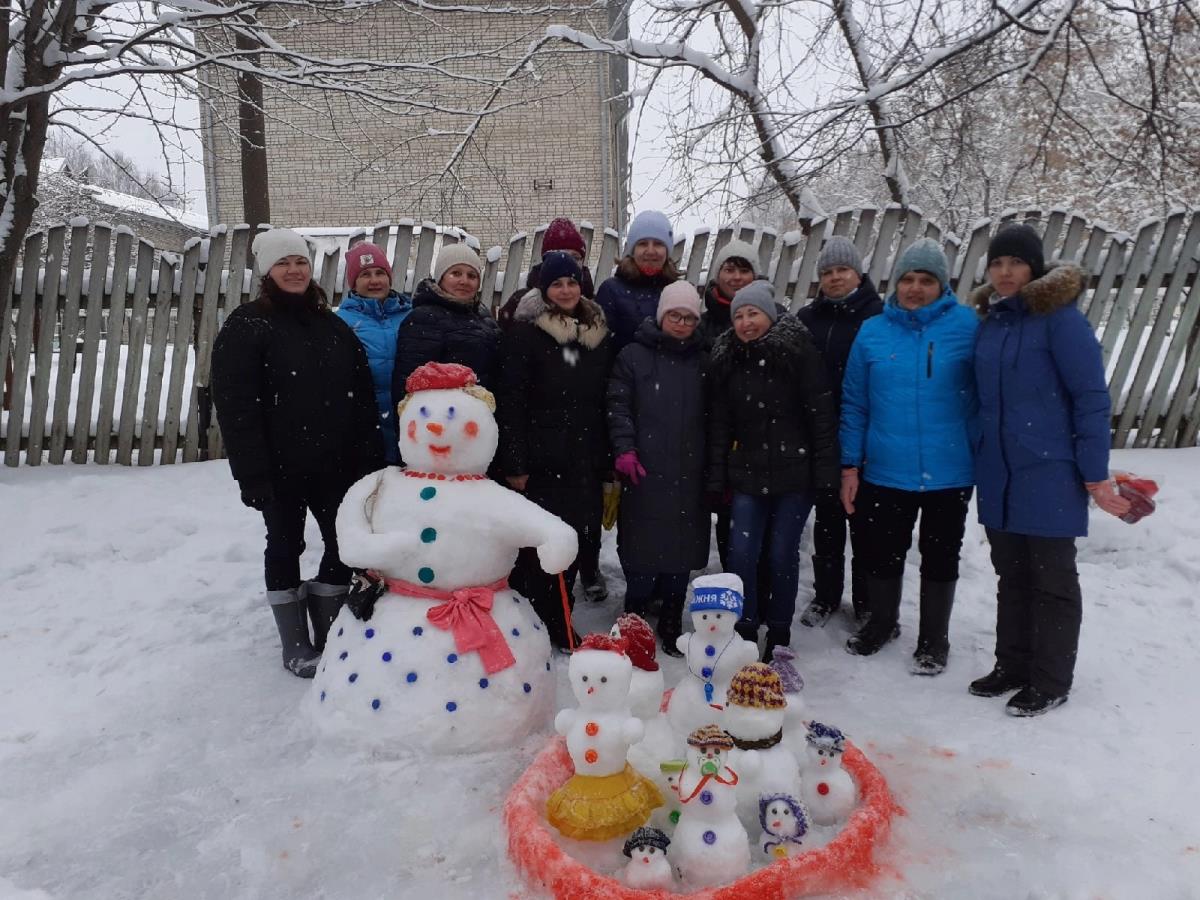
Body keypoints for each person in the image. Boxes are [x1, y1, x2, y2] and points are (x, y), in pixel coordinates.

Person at [967, 223, 1130, 717]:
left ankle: (1052, 679)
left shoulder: (1060, 321)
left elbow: (1091, 400)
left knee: (1052, 580)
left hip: (1049, 472)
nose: (1005, 272)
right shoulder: (991, 322)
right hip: (999, 472)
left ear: (1033, 267)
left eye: (1014, 262)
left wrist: (1094, 472)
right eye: (997, 263)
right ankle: (1012, 665)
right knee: (1010, 575)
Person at [212, 228, 385, 678]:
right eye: (284, 263)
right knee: (285, 544)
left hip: (335, 464)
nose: (294, 270)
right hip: (278, 466)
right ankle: (294, 642)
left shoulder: (332, 325)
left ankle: (327, 630)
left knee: (342, 543)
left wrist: (366, 460)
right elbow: (236, 407)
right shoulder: (246, 325)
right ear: (267, 271)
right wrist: (252, 474)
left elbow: (360, 396)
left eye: (301, 263)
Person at [838, 238, 978, 675]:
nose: (915, 288)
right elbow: (855, 403)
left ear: (943, 285)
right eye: (908, 279)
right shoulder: (873, 331)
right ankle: (882, 623)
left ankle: (934, 639)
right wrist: (849, 465)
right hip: (885, 469)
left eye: (926, 280)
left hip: (949, 470)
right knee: (883, 552)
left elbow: (988, 396)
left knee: (941, 555)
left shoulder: (968, 327)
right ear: (895, 283)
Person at [707, 281, 839, 663]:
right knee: (741, 553)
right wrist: (718, 477)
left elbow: (821, 415)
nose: (747, 323)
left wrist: (825, 472)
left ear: (770, 314)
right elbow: (720, 425)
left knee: (782, 555)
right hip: (747, 475)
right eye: (740, 316)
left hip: (794, 476)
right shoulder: (727, 359)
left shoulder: (798, 352)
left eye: (754, 313)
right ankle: (746, 628)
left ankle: (779, 633)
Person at [497, 251, 614, 651]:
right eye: (557, 284)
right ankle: (544, 623)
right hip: (543, 460)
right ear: (544, 290)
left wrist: (607, 458)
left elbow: (603, 401)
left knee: (578, 540)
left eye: (572, 282)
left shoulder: (596, 333)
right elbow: (511, 402)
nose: (565, 290)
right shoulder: (524, 335)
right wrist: (515, 462)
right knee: (543, 548)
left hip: (584, 458)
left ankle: (560, 617)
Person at [606, 281, 710, 657]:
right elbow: (618, 404)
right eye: (674, 315)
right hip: (644, 470)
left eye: (688, 317)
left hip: (689, 470)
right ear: (661, 315)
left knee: (681, 553)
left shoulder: (704, 359)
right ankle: (634, 615)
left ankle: (670, 621)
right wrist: (625, 449)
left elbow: (717, 417)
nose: (681, 323)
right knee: (641, 550)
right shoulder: (633, 356)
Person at [795, 236, 884, 628]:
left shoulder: (877, 318)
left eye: (842, 271)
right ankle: (826, 596)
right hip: (821, 437)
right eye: (827, 272)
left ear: (858, 273)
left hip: (866, 436)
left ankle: (865, 601)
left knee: (865, 527)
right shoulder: (808, 319)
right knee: (828, 523)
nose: (834, 278)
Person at [391, 243, 500, 412]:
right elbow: (409, 384)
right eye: (456, 273)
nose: (464, 281)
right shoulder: (424, 318)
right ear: (441, 277)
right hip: (444, 423)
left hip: (481, 419)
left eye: (472, 275)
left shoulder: (482, 315)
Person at [336, 242, 412, 464]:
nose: (374, 280)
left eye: (380, 272)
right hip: (366, 425)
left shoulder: (411, 316)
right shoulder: (341, 322)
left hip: (410, 421)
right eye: (365, 274)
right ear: (353, 283)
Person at [596, 210, 679, 351]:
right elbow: (601, 351)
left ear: (667, 250)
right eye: (643, 244)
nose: (651, 251)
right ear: (632, 250)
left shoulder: (678, 291)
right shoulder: (611, 291)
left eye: (658, 243)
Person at [497, 217, 596, 330]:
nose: (566, 263)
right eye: (559, 256)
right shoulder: (520, 305)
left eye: (574, 257)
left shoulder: (595, 308)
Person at [698, 239, 758, 349]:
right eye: (729, 270)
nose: (737, 277)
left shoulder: (775, 318)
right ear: (718, 276)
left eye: (744, 271)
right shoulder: (700, 327)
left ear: (755, 277)